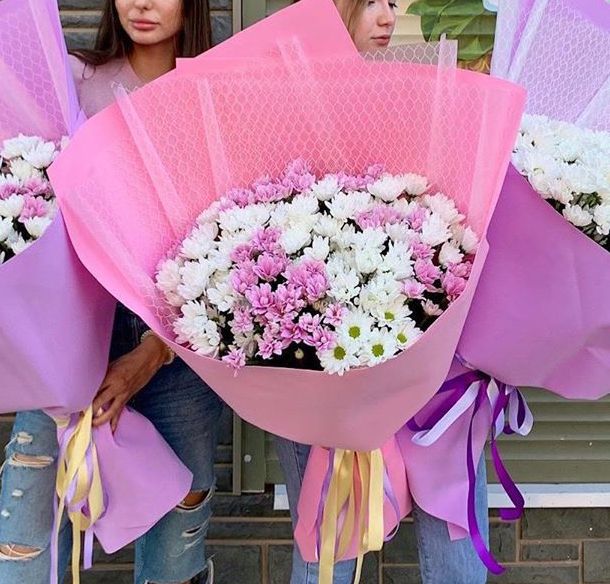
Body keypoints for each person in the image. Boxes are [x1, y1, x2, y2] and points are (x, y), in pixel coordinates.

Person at [0, 2, 223, 583]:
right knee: (23, 539)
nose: (142, 4)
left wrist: (151, 352)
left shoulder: (215, 93)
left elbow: (226, 246)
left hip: (177, 349)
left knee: (176, 542)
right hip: (65, 339)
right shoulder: (74, 81)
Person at [274, 1, 490, 583]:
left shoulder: (425, 97)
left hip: (436, 363)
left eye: (392, 2)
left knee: (453, 538)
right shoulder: (278, 103)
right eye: (369, 2)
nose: (388, 17)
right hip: (318, 370)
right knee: (328, 545)